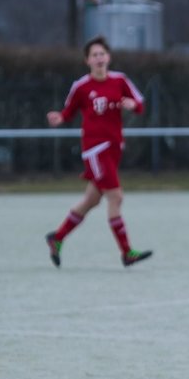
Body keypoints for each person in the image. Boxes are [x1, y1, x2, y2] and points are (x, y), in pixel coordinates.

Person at [44, 35, 153, 269]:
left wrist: (134, 106)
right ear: (87, 61)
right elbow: (69, 111)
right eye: (94, 55)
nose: (99, 58)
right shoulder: (81, 87)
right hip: (95, 150)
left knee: (91, 200)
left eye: (102, 54)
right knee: (116, 197)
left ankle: (58, 238)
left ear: (109, 57)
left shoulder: (120, 80)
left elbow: (140, 104)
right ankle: (126, 253)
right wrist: (59, 118)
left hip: (114, 148)